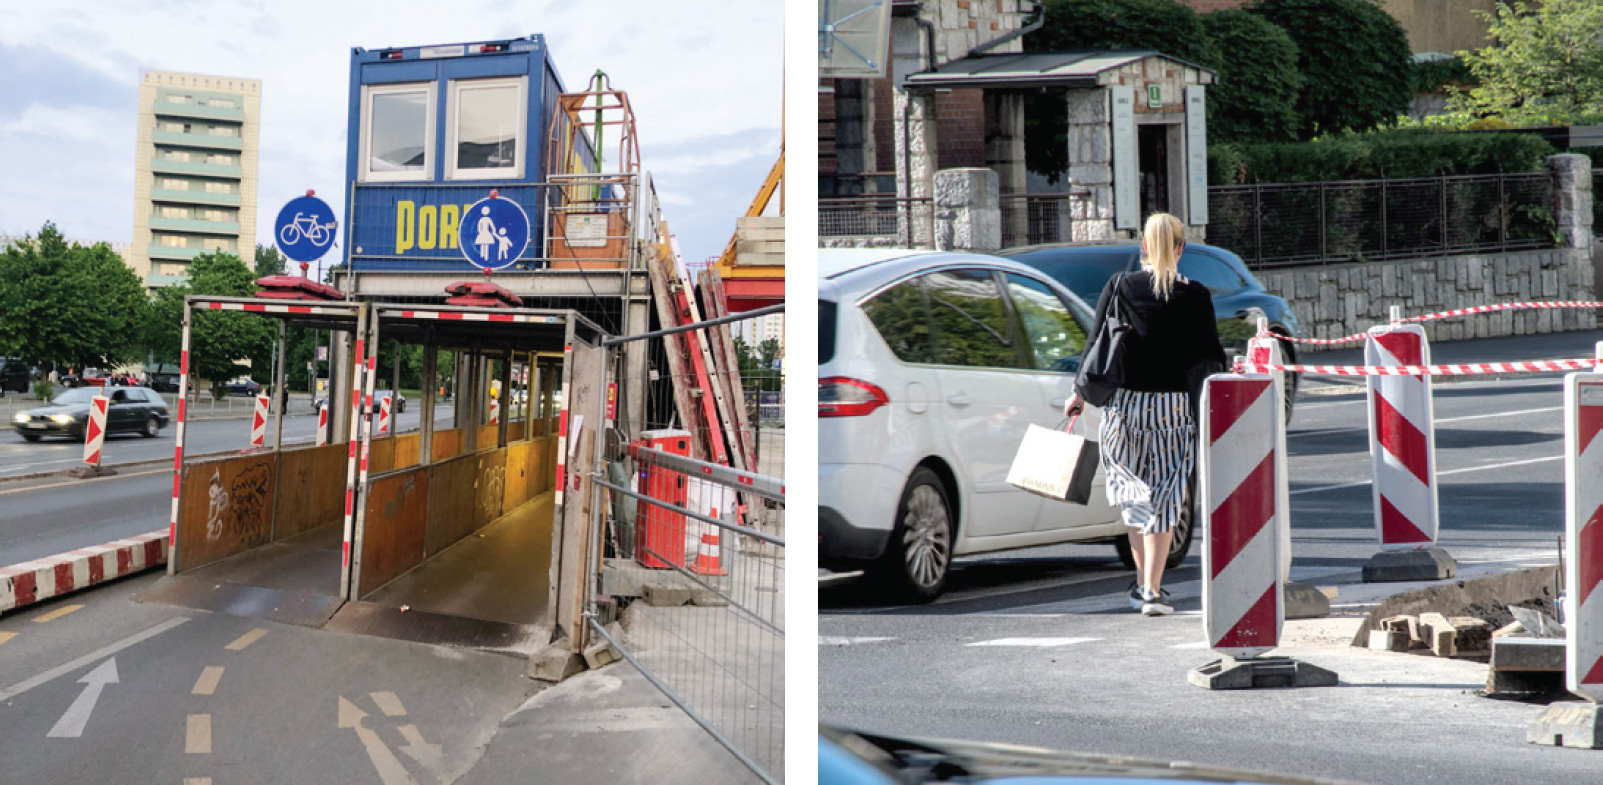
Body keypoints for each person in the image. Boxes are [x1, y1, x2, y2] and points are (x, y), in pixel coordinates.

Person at [1063, 212, 1227, 617]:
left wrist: (1078, 395)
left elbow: (1095, 343)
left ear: (1144, 248)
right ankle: (1151, 589)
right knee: (1167, 495)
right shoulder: (1197, 296)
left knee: (1132, 491)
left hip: (1126, 406)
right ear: (1180, 249)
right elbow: (1210, 360)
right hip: (1173, 409)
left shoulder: (1121, 286)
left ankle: (1145, 587)